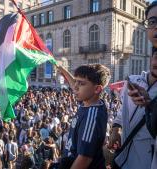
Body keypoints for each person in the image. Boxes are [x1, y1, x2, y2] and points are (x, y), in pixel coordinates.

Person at [109, 2, 157, 168]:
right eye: (152, 21)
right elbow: (123, 111)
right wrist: (116, 128)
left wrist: (150, 105)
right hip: (123, 160)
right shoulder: (134, 81)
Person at [56, 64, 111, 169]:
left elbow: (84, 158)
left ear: (97, 89)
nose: (75, 86)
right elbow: (76, 86)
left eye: (81, 83)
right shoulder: (90, 100)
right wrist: (63, 70)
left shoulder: (92, 116)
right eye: (76, 81)